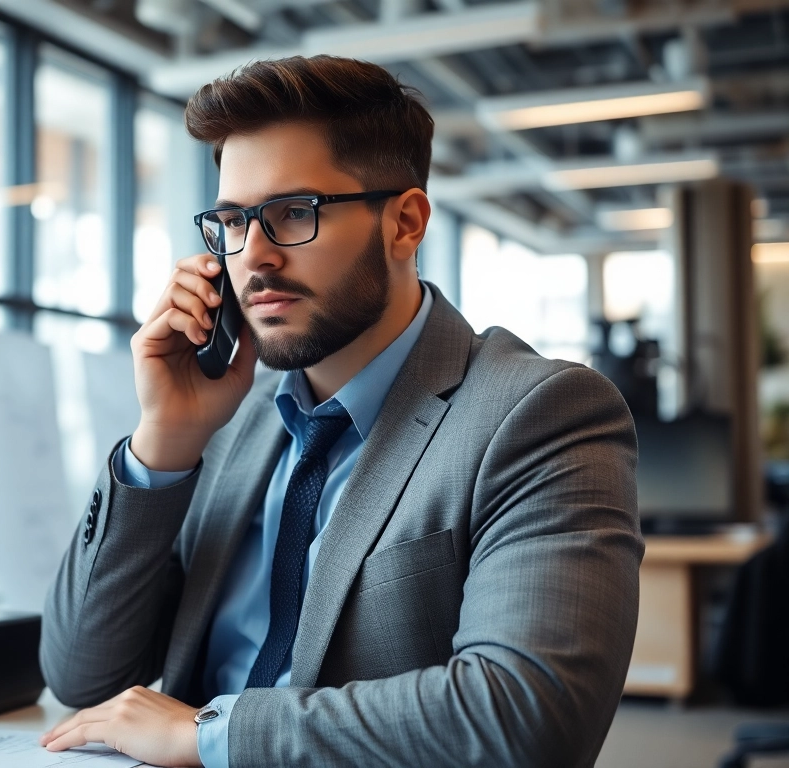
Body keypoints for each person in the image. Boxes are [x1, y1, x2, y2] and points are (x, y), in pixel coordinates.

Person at [37, 55, 642, 767]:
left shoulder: (540, 414)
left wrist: (210, 735)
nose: (253, 259)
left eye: (294, 213)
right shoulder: (230, 420)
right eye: (232, 221)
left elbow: (526, 718)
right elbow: (82, 676)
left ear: (405, 223)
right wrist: (163, 443)